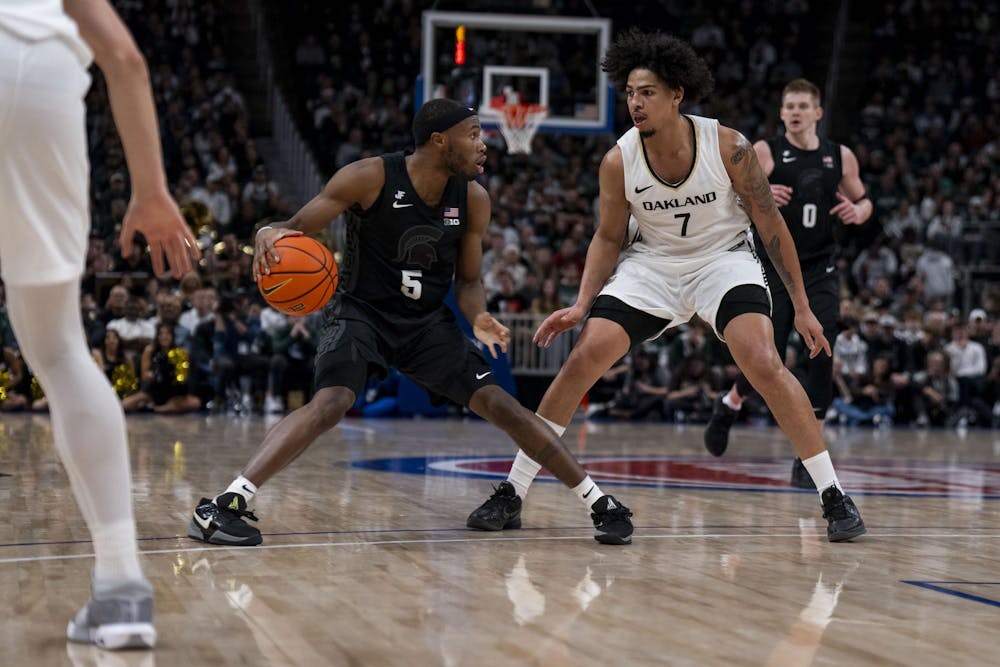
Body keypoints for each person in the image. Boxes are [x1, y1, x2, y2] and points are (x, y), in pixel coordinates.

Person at [467, 31, 865, 542]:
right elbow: (608, 237)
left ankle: (833, 494)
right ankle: (513, 492)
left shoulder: (729, 147)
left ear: (677, 94)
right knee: (582, 357)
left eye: (647, 92)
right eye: (630, 92)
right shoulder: (618, 160)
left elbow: (772, 227)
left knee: (764, 361)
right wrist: (581, 304)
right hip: (651, 266)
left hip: (723, 260)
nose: (635, 102)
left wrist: (804, 307)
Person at [187, 98, 634, 548]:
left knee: (502, 405)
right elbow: (296, 226)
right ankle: (223, 505)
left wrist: (478, 315)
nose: (483, 146)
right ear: (440, 141)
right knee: (332, 402)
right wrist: (270, 230)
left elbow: (471, 279)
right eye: (474, 134)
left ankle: (599, 503)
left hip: (425, 324)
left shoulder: (473, 199)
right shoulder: (370, 177)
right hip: (361, 313)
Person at [0, 0, 198, 649]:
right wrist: (150, 190)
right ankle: (120, 588)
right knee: (58, 352)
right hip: (43, 77)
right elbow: (125, 57)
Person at [703, 78, 872, 489]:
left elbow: (865, 200)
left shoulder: (839, 156)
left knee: (821, 350)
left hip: (820, 267)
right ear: (781, 114)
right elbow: (728, 199)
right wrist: (757, 196)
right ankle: (731, 403)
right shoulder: (764, 152)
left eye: (802, 106)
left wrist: (858, 210)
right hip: (770, 265)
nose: (795, 112)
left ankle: (807, 453)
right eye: (788, 106)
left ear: (817, 113)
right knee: (767, 356)